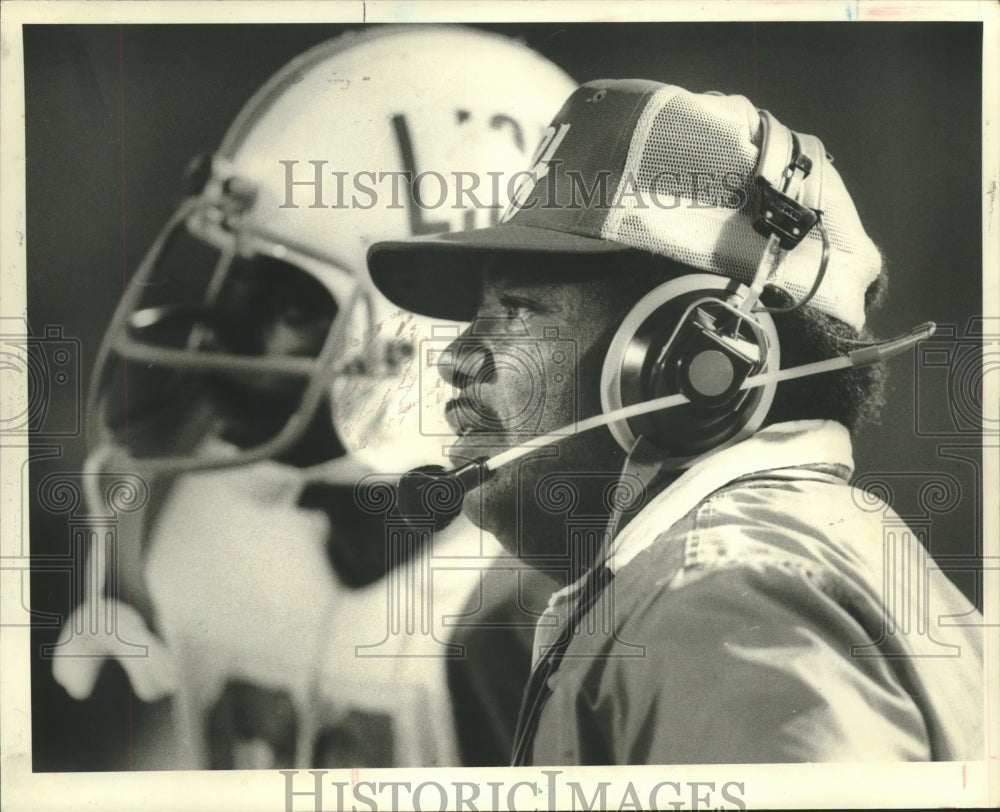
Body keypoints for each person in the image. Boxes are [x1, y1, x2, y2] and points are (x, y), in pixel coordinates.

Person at [367, 79, 985, 764]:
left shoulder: (724, 598)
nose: (454, 358)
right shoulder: (784, 564)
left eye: (515, 309)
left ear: (694, 358)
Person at [52, 26, 574, 769]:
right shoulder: (182, 509)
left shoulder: (521, 612)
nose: (215, 334)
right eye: (234, 274)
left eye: (291, 304)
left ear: (438, 339)